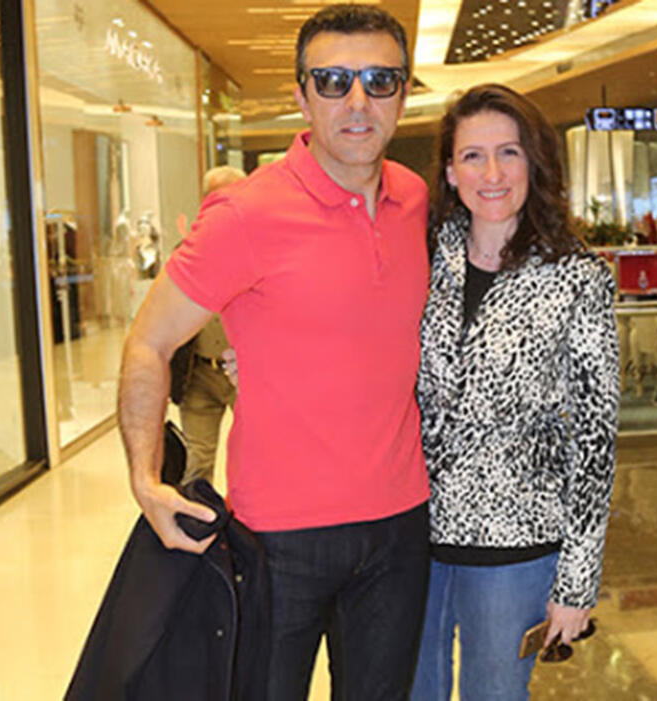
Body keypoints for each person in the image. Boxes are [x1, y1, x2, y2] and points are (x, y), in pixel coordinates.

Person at [117, 5, 431, 700]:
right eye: (333, 81)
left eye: (380, 80)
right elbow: (149, 340)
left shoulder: (413, 199)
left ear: (404, 93)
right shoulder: (246, 214)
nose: (358, 101)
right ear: (302, 96)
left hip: (400, 524)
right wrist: (145, 478)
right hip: (280, 536)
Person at [410, 84, 620, 700]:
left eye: (510, 152)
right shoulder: (420, 257)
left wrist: (577, 580)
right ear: (450, 172)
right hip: (408, 535)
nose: (493, 173)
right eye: (473, 156)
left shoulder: (576, 277)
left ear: (535, 162)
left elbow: (595, 438)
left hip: (517, 546)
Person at [172, 166, 245, 485]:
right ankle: (200, 516)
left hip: (249, 374)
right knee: (196, 462)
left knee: (258, 456)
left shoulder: (264, 249)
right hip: (199, 374)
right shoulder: (186, 253)